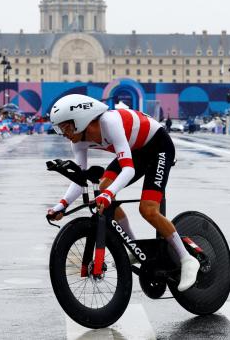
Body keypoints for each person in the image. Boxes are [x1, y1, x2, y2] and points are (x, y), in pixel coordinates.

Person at [46, 94, 200, 292]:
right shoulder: (78, 141)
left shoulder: (109, 122)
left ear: (80, 120)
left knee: (148, 210)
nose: (63, 133)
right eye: (59, 129)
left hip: (158, 147)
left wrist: (109, 194)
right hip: (135, 150)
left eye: (65, 127)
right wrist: (62, 205)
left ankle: (187, 259)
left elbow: (129, 170)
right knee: (102, 189)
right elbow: (80, 180)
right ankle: (135, 247)